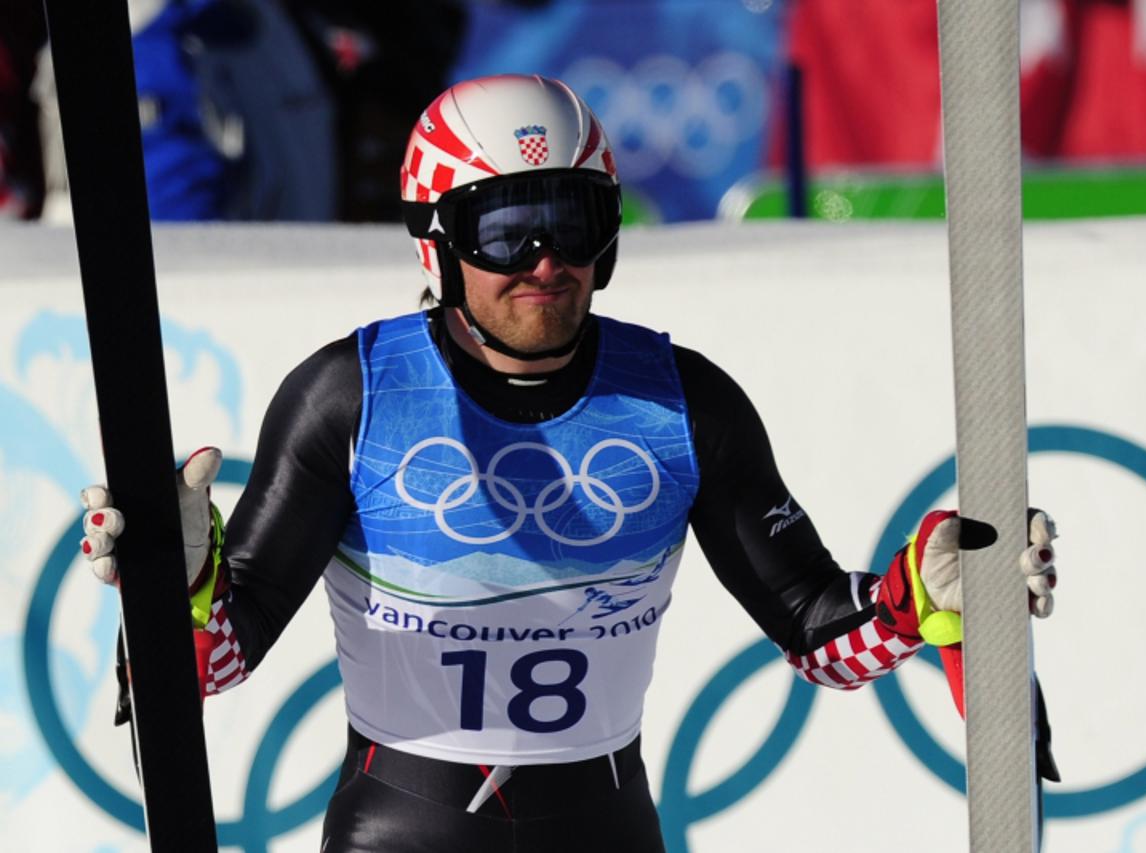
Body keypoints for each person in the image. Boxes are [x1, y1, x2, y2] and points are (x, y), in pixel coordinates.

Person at [78, 74, 1059, 853]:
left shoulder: (681, 398)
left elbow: (814, 635)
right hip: (400, 831)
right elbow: (213, 664)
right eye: (503, 228)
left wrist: (913, 600)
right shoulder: (351, 394)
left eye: (573, 219)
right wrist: (187, 582)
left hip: (606, 825)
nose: (545, 258)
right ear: (436, 242)